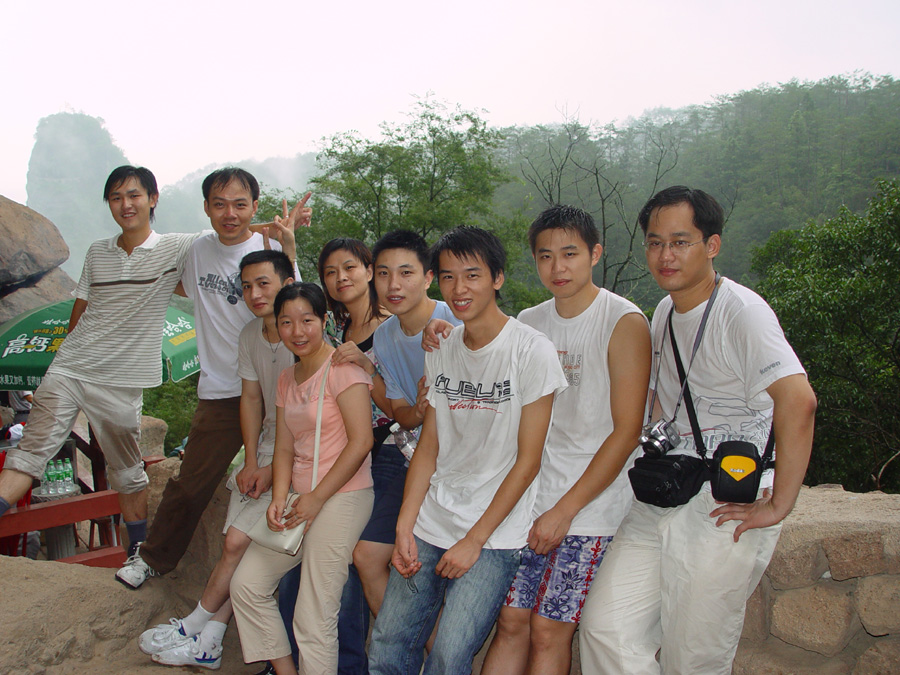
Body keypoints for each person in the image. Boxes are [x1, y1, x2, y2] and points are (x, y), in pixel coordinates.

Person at [578, 186, 817, 674]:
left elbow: (799, 401)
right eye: (655, 242)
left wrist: (780, 503)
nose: (665, 255)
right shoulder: (665, 312)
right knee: (606, 629)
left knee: (693, 653)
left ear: (712, 245)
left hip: (727, 496)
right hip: (670, 484)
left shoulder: (742, 312)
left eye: (680, 242)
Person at [368, 226, 567, 675]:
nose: (459, 289)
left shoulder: (531, 351)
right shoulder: (442, 347)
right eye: (449, 277)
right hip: (432, 519)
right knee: (388, 643)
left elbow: (528, 461)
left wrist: (474, 541)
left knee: (450, 655)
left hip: (494, 535)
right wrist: (405, 525)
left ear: (497, 278)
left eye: (472, 275)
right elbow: (430, 447)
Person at [475, 206, 651, 675]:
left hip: (591, 507)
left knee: (550, 630)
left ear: (595, 253)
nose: (558, 267)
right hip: (532, 499)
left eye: (570, 254)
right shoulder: (530, 321)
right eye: (545, 256)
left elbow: (626, 431)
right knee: (511, 621)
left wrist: (565, 510)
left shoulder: (623, 321)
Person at [116, 167, 310, 588]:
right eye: (219, 204)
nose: (230, 214)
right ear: (205, 207)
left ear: (255, 206)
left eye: (240, 205)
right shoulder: (195, 250)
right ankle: (151, 558)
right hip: (223, 390)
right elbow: (162, 269)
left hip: (280, 386)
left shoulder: (271, 245)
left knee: (301, 476)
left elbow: (300, 307)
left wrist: (287, 243)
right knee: (190, 485)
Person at [0, 166, 197, 555]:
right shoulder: (97, 251)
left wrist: (276, 233)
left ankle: (137, 554)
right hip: (71, 368)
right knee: (30, 453)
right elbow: (81, 309)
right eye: (116, 197)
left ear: (153, 199)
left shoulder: (174, 248)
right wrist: (62, 358)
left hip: (121, 382)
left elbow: (228, 235)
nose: (126, 204)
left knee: (128, 473)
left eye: (134, 195)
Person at [136, 250, 295, 670]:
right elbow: (251, 399)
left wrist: (269, 467)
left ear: (286, 283)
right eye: (246, 286)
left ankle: (194, 626)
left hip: (300, 453)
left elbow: (310, 417)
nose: (254, 293)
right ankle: (210, 638)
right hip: (267, 446)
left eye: (263, 283)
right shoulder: (249, 335)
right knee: (240, 548)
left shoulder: (301, 334)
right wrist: (250, 459)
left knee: (237, 542)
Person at [230, 282, 374, 675]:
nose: (297, 331)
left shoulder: (343, 370)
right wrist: (280, 497)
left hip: (343, 495)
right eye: (286, 322)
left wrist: (316, 499)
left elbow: (362, 442)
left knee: (314, 614)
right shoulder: (286, 378)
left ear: (324, 320)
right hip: (299, 496)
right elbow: (283, 448)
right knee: (247, 585)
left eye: (307, 320)